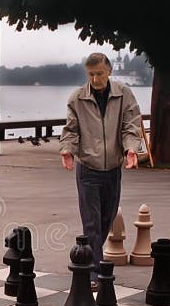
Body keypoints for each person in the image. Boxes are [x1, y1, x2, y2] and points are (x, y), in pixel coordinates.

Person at [59, 52, 142, 291]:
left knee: (107, 218)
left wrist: (130, 150)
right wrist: (67, 150)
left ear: (109, 71)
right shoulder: (77, 98)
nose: (95, 79)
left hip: (113, 168)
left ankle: (88, 256)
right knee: (92, 223)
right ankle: (93, 270)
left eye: (99, 74)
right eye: (91, 74)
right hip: (88, 168)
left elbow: (131, 125)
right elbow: (71, 130)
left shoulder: (124, 94)